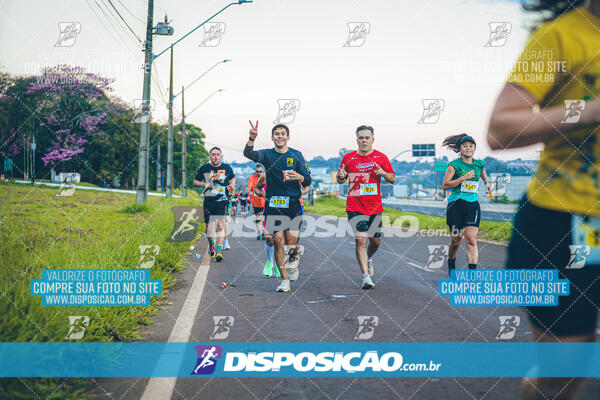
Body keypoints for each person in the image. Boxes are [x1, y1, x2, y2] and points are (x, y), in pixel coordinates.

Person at [487, 2, 600, 399]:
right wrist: (590, 110)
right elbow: (501, 129)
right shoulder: (559, 37)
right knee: (564, 374)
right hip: (565, 222)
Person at [243, 121, 311, 292]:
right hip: (274, 205)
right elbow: (248, 153)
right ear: (272, 138)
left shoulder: (296, 155)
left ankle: (293, 260)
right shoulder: (267, 155)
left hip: (293, 205)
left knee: (291, 244)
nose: (280, 136)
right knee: (278, 241)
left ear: (288, 137)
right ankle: (284, 280)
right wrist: (252, 137)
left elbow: (308, 180)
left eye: (283, 134)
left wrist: (299, 177)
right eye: (276, 134)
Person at [336, 125, 395, 289]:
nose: (364, 141)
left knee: (375, 241)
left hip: (374, 207)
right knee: (360, 240)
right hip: (354, 205)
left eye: (367, 138)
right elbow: (341, 178)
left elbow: (392, 179)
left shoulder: (381, 157)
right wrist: (341, 177)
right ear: (357, 140)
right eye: (361, 138)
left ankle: (369, 258)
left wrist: (383, 172)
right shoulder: (348, 158)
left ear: (372, 140)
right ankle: (365, 277)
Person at [441, 134, 491, 276]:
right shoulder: (454, 165)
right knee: (456, 240)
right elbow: (445, 185)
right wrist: (463, 178)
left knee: (471, 239)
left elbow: (482, 174)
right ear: (460, 149)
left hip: (472, 205)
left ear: (474, 148)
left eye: (471, 146)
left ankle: (472, 276)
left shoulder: (479, 164)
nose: (468, 148)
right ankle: (451, 263)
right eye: (465, 146)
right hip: (456, 206)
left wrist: (487, 182)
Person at [193, 147, 235, 262]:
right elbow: (195, 182)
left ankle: (219, 251)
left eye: (217, 154)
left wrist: (232, 186)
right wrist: (205, 184)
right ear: (210, 156)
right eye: (213, 154)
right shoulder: (204, 168)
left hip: (223, 200)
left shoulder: (227, 168)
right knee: (209, 228)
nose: (215, 156)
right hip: (209, 201)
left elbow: (232, 178)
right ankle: (211, 244)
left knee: (220, 225)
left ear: (221, 156)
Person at [247, 164, 266, 240]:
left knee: (264, 217)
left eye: (260, 171)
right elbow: (249, 188)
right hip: (255, 202)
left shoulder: (265, 177)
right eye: (257, 172)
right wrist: (250, 192)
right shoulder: (252, 177)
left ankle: (264, 231)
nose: (259, 173)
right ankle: (259, 232)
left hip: (264, 202)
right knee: (258, 218)